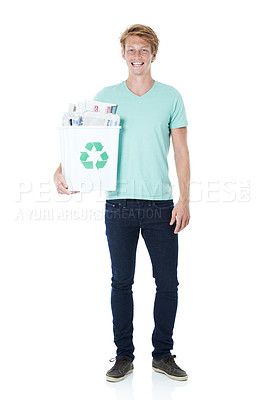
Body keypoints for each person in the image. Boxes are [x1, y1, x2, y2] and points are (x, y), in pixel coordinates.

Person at [54, 24, 190, 382]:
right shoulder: (107, 97)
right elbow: (83, 139)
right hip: (119, 204)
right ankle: (123, 356)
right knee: (121, 282)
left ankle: (162, 355)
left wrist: (185, 198)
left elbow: (181, 151)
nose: (137, 56)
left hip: (161, 204)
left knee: (168, 283)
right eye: (131, 50)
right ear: (123, 54)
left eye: (144, 50)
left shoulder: (171, 97)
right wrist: (61, 170)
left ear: (154, 55)